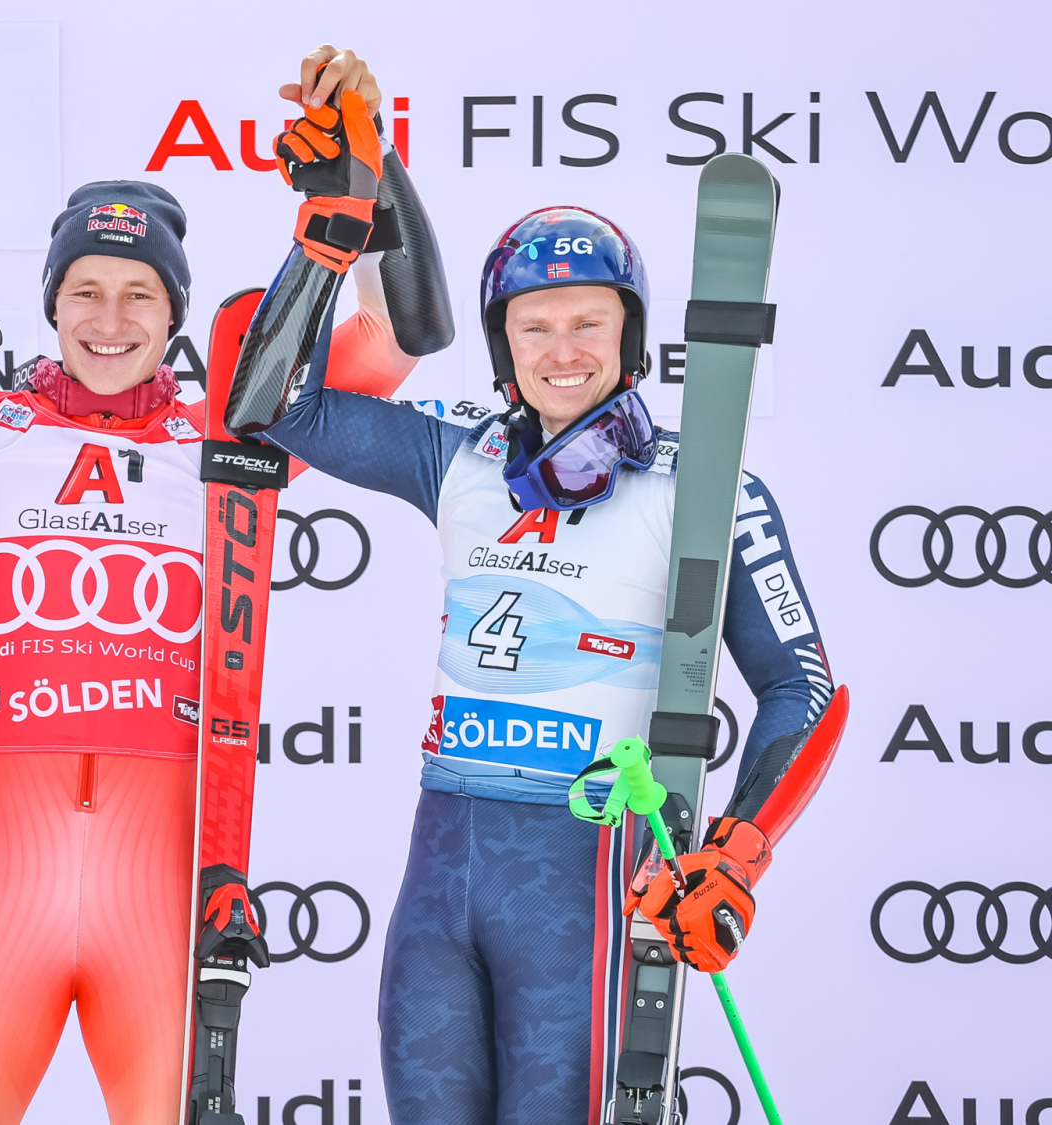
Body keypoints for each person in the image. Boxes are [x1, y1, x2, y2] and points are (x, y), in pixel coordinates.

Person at [0, 44, 452, 1125]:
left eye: (139, 295)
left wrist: (373, 168)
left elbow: (403, 335)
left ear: (175, 314)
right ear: (52, 303)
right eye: (85, 293)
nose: (110, 321)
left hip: (159, 908)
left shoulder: (235, 433)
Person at [249, 152, 849, 1121]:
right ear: (502, 347)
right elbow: (272, 408)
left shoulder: (702, 488)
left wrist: (737, 851)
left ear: (630, 336)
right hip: (439, 882)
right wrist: (328, 227)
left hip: (585, 885)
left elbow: (803, 688)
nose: (560, 349)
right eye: (533, 327)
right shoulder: (455, 453)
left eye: (587, 323)